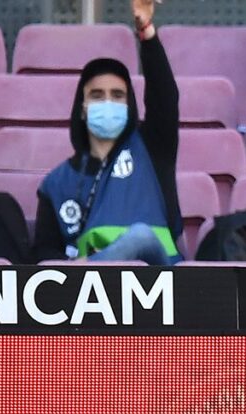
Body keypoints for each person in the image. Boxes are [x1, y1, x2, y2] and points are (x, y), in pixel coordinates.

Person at [35, 0, 182, 265]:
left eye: (117, 95)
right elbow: (42, 254)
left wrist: (146, 31)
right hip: (93, 296)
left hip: (161, 280)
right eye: (97, 95)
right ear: (83, 108)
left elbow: (165, 97)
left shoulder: (151, 148)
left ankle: (95, 268)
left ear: (129, 105)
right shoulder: (56, 183)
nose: (108, 103)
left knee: (140, 236)